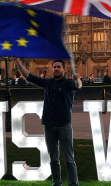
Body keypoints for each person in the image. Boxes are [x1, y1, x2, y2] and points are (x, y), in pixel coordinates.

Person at [15, 58, 82, 186]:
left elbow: (78, 86)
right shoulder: (47, 83)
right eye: (55, 67)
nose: (56, 69)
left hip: (64, 125)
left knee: (69, 159)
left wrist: (77, 79)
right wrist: (17, 61)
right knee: (53, 159)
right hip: (49, 126)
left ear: (63, 70)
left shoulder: (68, 84)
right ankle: (56, 183)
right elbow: (29, 77)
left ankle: (73, 184)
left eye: (58, 67)